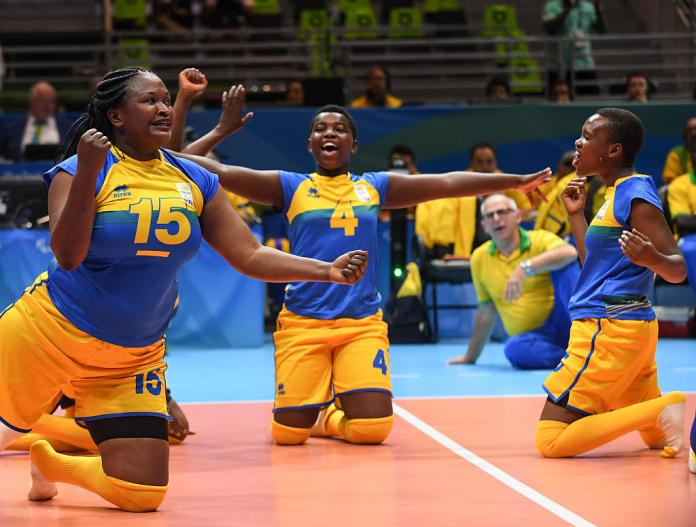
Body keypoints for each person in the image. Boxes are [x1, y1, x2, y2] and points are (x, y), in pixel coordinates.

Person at [0, 67, 369, 513]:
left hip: (130, 355)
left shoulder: (194, 177)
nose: (163, 108)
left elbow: (249, 255)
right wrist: (88, 173)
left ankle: (51, 463)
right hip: (48, 333)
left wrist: (325, 270)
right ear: (116, 116)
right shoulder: (79, 168)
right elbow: (68, 255)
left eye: (166, 100)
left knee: (142, 493)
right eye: (150, 100)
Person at [177, 99, 552, 447]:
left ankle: (327, 415)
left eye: (339, 128)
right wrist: (220, 131)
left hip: (361, 324)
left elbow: (448, 183)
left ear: (353, 145)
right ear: (309, 143)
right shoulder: (291, 186)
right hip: (304, 324)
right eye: (321, 128)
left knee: (372, 430)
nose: (329, 133)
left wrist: (515, 181)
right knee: (288, 435)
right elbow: (189, 163)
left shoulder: (375, 187)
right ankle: (319, 415)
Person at [535, 107, 687, 459]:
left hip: (610, 330)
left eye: (588, 137)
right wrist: (576, 217)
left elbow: (677, 269)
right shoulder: (613, 194)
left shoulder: (635, 195)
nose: (578, 141)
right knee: (656, 439)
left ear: (613, 150)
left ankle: (665, 405)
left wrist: (652, 259)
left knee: (551, 440)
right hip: (629, 329)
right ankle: (658, 411)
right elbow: (594, 265)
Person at [447, 194, 579, 369]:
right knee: (514, 349)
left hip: (566, 323)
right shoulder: (479, 258)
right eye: (490, 215)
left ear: (517, 217)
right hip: (533, 339)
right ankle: (575, 358)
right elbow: (486, 310)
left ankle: (588, 338)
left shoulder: (539, 239)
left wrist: (525, 268)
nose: (496, 219)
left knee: (565, 265)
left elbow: (570, 252)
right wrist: (470, 356)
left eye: (502, 212)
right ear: (484, 226)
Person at [542, 0, 605, 96]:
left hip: (584, 63)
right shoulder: (552, 5)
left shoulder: (588, 6)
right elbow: (549, 29)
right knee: (558, 102)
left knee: (591, 100)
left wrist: (596, 7)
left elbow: (602, 30)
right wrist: (567, 9)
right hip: (558, 65)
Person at [0, 81, 71, 161]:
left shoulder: (68, 129)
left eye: (51, 101)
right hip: (20, 172)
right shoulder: (12, 128)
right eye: (43, 101)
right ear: (31, 101)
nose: (47, 106)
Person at [662, 116, 696, 186]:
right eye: (690, 130)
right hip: (683, 191)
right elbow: (669, 179)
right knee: (664, 190)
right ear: (685, 134)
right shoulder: (677, 154)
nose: (694, 134)